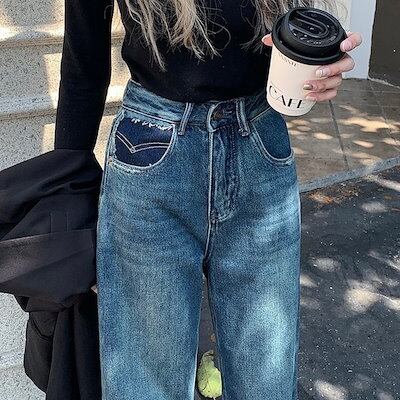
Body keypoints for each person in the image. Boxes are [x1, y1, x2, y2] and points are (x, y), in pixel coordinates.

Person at [54, 0, 362, 399]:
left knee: (266, 379)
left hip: (259, 144)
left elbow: (282, 40)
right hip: (151, 153)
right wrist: (67, 196)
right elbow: (84, 65)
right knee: (146, 383)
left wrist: (318, 64)